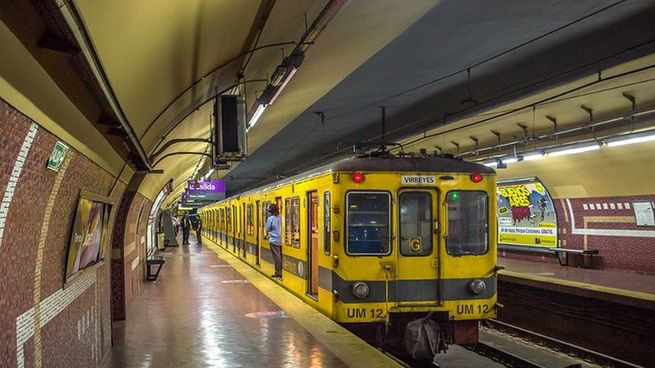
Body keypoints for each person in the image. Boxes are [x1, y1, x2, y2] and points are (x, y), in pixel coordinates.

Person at [265, 203, 282, 278]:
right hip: (282, 240)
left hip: (274, 240)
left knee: (277, 257)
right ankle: (282, 271)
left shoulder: (270, 219)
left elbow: (267, 229)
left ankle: (278, 272)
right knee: (281, 256)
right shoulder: (281, 217)